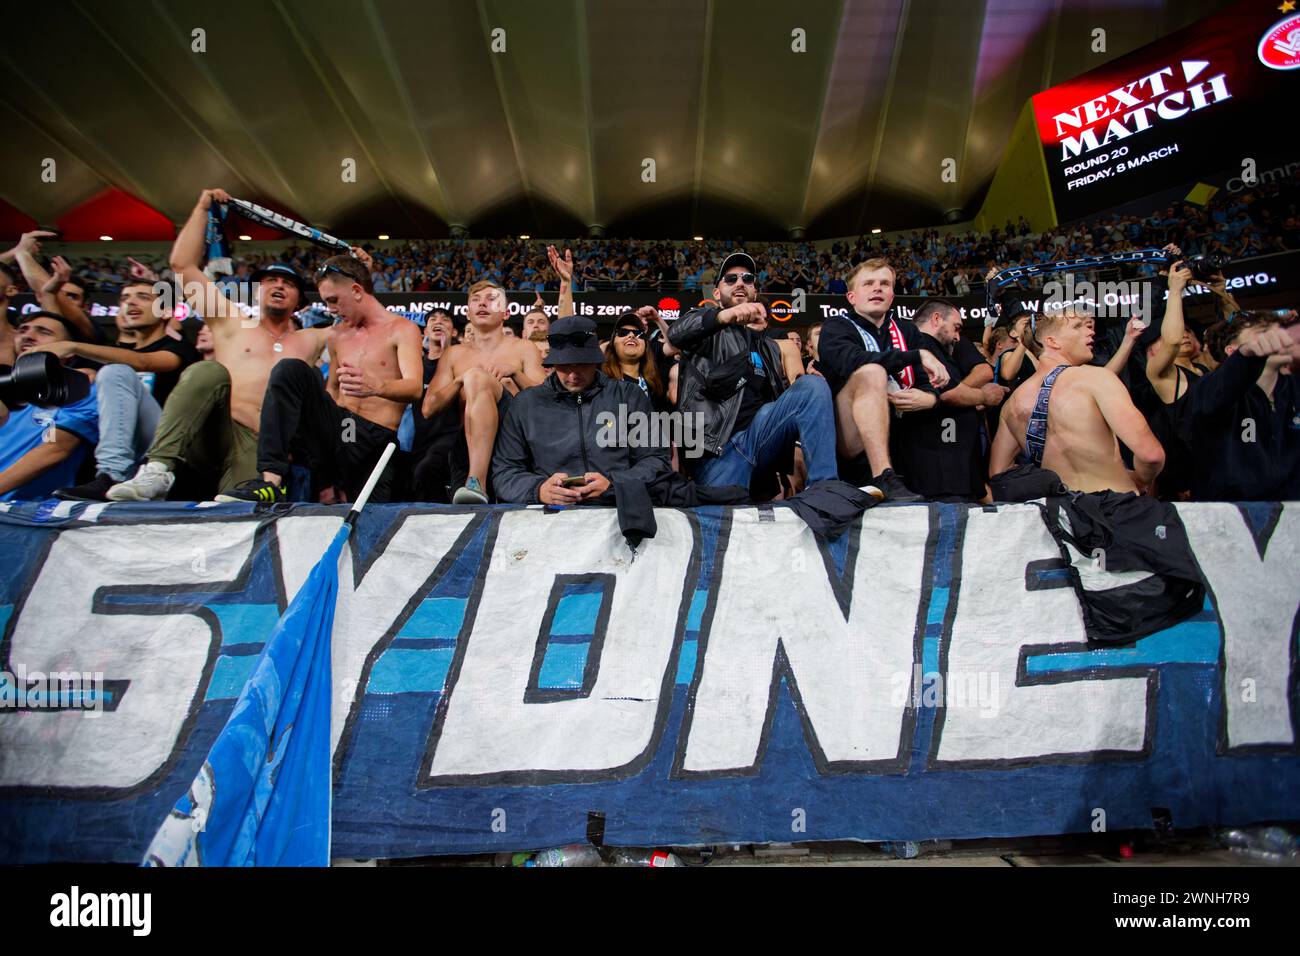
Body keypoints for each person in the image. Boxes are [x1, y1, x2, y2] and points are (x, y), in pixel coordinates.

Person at [107, 188, 329, 501]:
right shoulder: (229, 319)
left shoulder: (313, 338)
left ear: (300, 301)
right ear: (255, 291)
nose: (279, 285)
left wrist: (362, 270)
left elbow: (363, 320)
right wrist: (201, 208)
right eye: (270, 281)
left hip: (257, 445)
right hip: (207, 430)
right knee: (207, 371)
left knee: (236, 515)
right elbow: (183, 266)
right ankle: (157, 469)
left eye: (289, 283)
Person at [218, 254, 422, 504]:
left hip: (372, 437)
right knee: (290, 369)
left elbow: (414, 388)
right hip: (342, 430)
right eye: (327, 302)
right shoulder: (338, 335)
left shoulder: (402, 329)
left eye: (334, 300)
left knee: (372, 522)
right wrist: (324, 469)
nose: (331, 309)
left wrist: (377, 386)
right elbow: (332, 393)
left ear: (357, 290)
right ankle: (271, 481)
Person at [669, 252, 837, 493]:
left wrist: (803, 380)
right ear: (716, 293)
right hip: (718, 455)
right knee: (721, 526)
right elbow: (676, 333)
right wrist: (723, 316)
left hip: (760, 440)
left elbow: (781, 403)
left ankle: (825, 489)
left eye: (747, 279)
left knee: (812, 386)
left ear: (754, 291)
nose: (740, 283)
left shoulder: (768, 346)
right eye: (730, 279)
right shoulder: (706, 329)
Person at [22, 278, 200, 501]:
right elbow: (60, 326)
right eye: (125, 298)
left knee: (116, 371)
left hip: (161, 452)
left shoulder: (180, 348)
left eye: (143, 298)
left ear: (166, 312)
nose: (131, 303)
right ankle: (106, 476)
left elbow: (143, 363)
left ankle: (112, 475)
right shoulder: (105, 354)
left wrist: (73, 346)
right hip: (104, 450)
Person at [492, 316, 671, 504]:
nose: (573, 374)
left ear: (595, 360)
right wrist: (539, 490)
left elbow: (657, 459)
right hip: (548, 519)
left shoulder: (628, 396)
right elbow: (505, 472)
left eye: (582, 364)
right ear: (553, 363)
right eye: (564, 365)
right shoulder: (525, 404)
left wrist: (615, 484)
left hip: (616, 510)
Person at [989, 307, 1165, 494]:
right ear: (1052, 341)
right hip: (1117, 510)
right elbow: (1151, 455)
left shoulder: (1012, 405)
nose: (1090, 331)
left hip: (1063, 516)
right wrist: (1140, 479)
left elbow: (998, 473)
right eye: (1077, 326)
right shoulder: (1096, 379)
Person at [817, 258, 950, 500]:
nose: (877, 288)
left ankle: (896, 477)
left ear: (892, 296)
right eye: (868, 283)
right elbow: (852, 361)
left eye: (885, 284)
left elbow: (928, 382)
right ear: (851, 298)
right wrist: (916, 355)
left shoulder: (908, 331)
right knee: (872, 371)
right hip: (847, 442)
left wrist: (930, 398)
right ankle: (882, 476)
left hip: (905, 442)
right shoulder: (835, 326)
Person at [422, 279, 546, 503]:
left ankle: (475, 481)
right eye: (476, 300)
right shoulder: (453, 354)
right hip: (466, 446)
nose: (482, 304)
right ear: (468, 313)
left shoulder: (524, 348)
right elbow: (428, 408)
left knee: (477, 377)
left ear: (506, 313)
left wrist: (515, 374)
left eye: (491, 300)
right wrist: (461, 379)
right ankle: (475, 481)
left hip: (515, 441)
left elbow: (546, 400)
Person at [890, 300, 1007, 501]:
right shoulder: (923, 343)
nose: (957, 336)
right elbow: (948, 392)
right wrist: (984, 396)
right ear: (936, 319)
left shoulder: (932, 348)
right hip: (939, 476)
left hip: (951, 472)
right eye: (956, 328)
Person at [1183, 314, 1299, 501]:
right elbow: (1215, 396)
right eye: (1263, 333)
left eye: (1280, 331)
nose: (1277, 338)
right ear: (1233, 350)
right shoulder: (1209, 388)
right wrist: (1247, 356)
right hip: (1232, 518)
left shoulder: (1293, 389)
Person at [0, 313, 98, 500]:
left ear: (68, 352)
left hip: (24, 513)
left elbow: (54, 450)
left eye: (43, 332)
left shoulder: (79, 389)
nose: (28, 335)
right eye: (23, 330)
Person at [601, 312, 670, 412]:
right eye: (623, 332)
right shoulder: (600, 381)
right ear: (612, 344)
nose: (632, 335)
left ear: (646, 345)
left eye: (638, 334)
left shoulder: (655, 381)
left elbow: (675, 345)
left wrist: (658, 319)